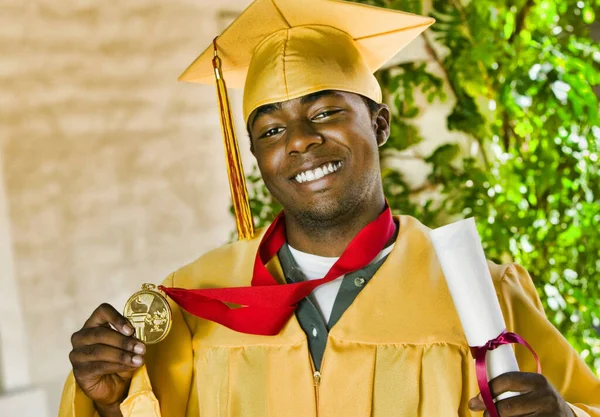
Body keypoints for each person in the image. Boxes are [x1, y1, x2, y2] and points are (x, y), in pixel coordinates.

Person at [59, 0, 600, 416]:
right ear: (256, 157)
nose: (298, 140)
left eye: (325, 112)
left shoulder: (486, 293)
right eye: (271, 129)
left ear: (381, 124)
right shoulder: (192, 302)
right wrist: (108, 403)